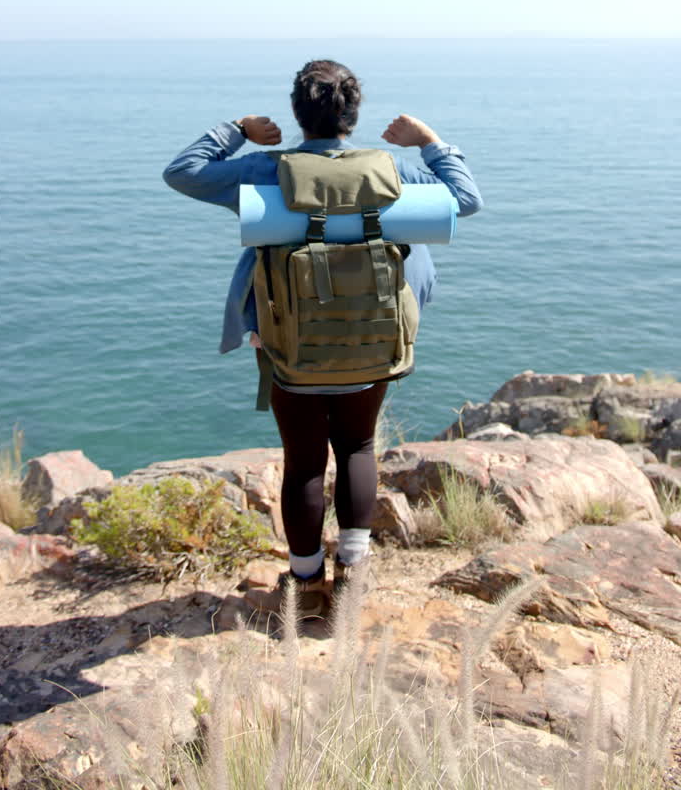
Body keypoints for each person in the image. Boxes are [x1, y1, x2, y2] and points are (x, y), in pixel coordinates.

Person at [163, 59, 483, 615]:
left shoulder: (268, 169)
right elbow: (467, 199)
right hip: (374, 341)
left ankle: (306, 586)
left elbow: (183, 172)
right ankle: (352, 577)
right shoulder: (393, 170)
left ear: (296, 114)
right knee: (358, 446)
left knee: (305, 461)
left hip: (291, 345)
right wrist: (429, 140)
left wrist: (236, 130)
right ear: (352, 116)